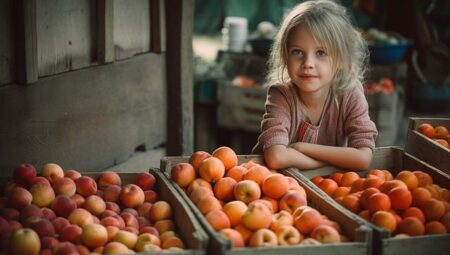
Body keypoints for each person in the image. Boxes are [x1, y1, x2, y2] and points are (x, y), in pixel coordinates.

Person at [252, 0, 378, 171]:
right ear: (285, 55)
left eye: (321, 53)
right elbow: (276, 157)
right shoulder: (281, 95)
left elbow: (363, 158)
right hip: (276, 187)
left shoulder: (349, 94)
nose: (308, 63)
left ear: (341, 58)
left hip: (325, 189)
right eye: (297, 52)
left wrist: (301, 148)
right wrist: (332, 162)